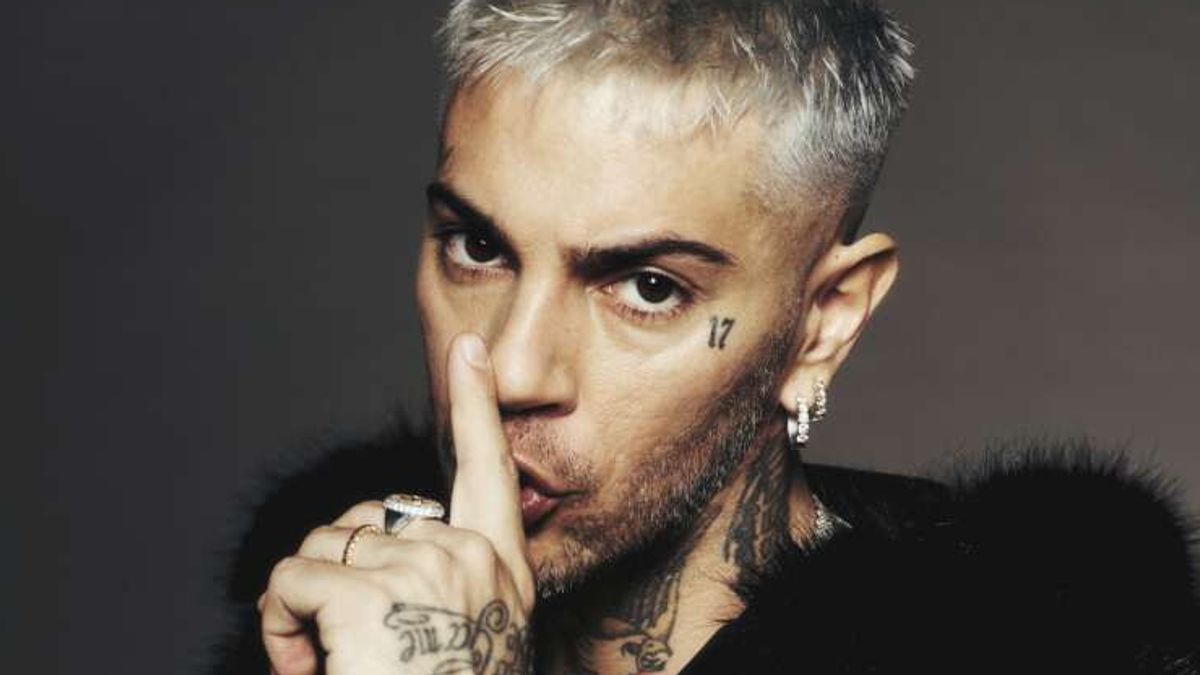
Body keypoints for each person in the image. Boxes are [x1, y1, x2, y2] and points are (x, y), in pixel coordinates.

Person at [210, 1, 1200, 673]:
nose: (511, 368)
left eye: (648, 287)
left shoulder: (1021, 647)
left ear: (823, 323)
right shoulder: (342, 616)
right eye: (478, 247)